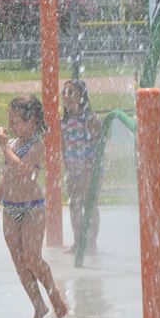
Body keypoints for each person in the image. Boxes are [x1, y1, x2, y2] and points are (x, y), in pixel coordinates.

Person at [0, 95, 69, 318]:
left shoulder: (36, 145)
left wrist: (3, 147)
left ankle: (54, 294)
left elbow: (22, 169)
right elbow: (6, 173)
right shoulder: (13, 144)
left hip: (32, 208)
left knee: (32, 258)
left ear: (32, 121)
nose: (10, 125)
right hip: (11, 209)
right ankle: (38, 306)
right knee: (19, 263)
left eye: (15, 121)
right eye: (9, 120)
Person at [61, 79, 102, 255]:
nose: (66, 96)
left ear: (81, 97)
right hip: (73, 171)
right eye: (64, 93)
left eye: (71, 93)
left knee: (89, 204)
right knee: (74, 205)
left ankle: (91, 243)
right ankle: (78, 242)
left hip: (91, 170)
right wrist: (68, 170)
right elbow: (64, 149)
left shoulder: (90, 120)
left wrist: (90, 171)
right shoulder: (63, 122)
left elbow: (99, 147)